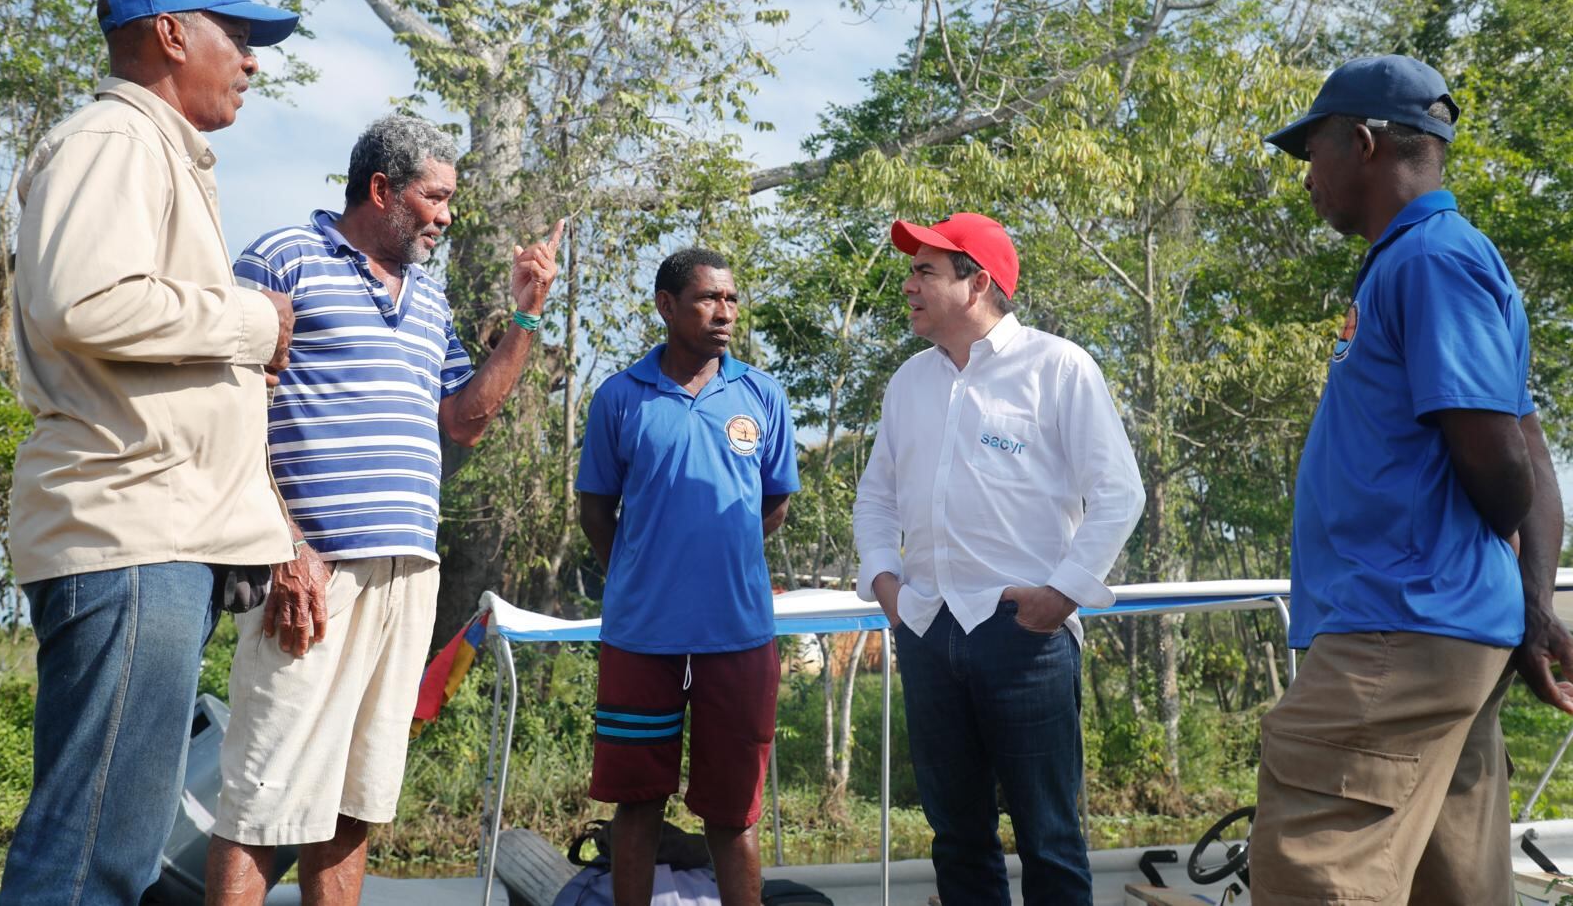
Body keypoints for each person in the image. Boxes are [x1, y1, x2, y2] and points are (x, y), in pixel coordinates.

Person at [0, 0, 300, 905]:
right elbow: (87, 301)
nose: (251, 60)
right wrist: (254, 322)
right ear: (170, 34)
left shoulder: (155, 151)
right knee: (91, 858)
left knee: (110, 852)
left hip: (153, 536)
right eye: (238, 35)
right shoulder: (117, 138)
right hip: (130, 535)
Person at [203, 114, 563, 905]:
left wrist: (526, 316)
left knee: (354, 801)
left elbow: (465, 418)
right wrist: (283, 545)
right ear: (381, 189)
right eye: (436, 197)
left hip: (408, 574)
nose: (447, 216)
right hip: (311, 572)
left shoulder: (429, 297)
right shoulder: (282, 257)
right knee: (262, 799)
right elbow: (225, 410)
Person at [1248, 54, 1571, 906]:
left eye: (1312, 150)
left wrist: (1507, 584)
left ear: (1363, 143)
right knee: (1450, 883)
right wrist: (1531, 609)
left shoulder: (1429, 259)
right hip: (1443, 629)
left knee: (1316, 865)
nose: (1306, 175)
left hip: (1399, 625)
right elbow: (1532, 452)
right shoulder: (1436, 260)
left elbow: (1503, 461)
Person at [853, 212, 1145, 906]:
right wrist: (886, 583)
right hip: (928, 628)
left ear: (977, 282)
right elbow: (875, 498)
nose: (908, 285)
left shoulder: (1058, 366)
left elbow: (1119, 493)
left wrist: (1062, 595)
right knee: (956, 838)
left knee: (1050, 838)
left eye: (924, 271)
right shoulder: (908, 383)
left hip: (1025, 636)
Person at [575, 248, 800, 906]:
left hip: (739, 634)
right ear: (667, 306)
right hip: (641, 638)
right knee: (638, 801)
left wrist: (719, 566)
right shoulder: (621, 396)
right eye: (708, 298)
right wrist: (643, 575)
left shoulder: (762, 394)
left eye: (731, 299)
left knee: (733, 812)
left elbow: (774, 504)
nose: (724, 312)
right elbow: (595, 510)